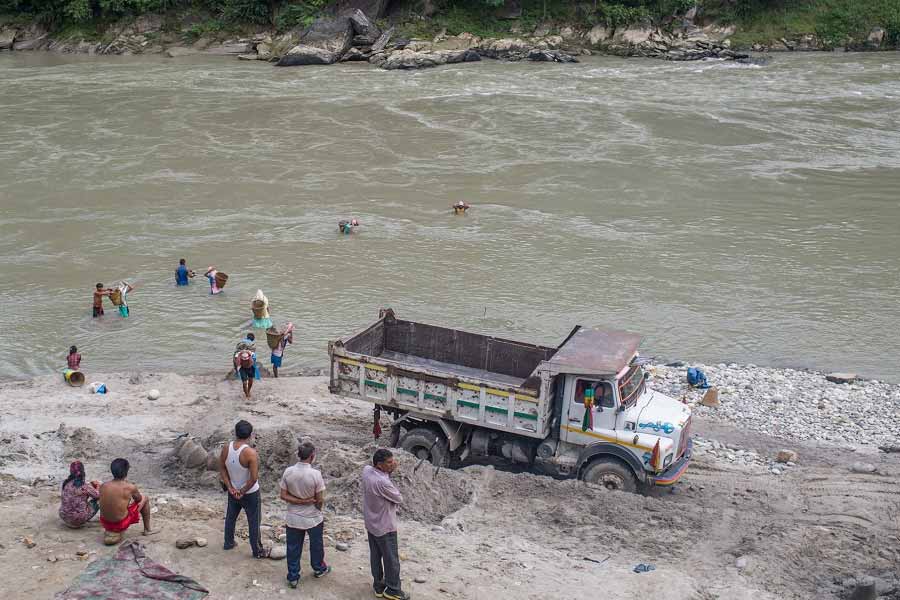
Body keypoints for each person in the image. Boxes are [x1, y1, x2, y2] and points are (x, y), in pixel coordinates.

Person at [280, 441, 330, 589]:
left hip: (293, 517)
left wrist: (298, 501)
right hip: (312, 517)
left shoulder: (288, 471)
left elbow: (283, 495)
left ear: (298, 455)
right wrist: (312, 505)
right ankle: (319, 568)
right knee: (316, 545)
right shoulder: (315, 474)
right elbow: (319, 499)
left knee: (293, 547)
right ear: (312, 456)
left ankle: (293, 576)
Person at [362, 449, 408, 600]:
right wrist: (391, 473)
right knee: (391, 560)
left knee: (375, 556)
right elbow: (399, 498)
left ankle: (378, 586)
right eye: (389, 462)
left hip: (371, 523)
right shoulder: (382, 482)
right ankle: (393, 590)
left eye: (392, 461)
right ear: (379, 465)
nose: (393, 464)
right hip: (385, 527)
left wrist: (388, 471)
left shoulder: (367, 471)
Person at [219, 420, 269, 558]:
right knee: (254, 522)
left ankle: (228, 542)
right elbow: (253, 478)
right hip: (250, 493)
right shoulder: (250, 453)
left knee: (231, 517)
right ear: (250, 435)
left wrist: (230, 487)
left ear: (236, 433)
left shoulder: (226, 448)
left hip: (233, 490)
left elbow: (222, 468)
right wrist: (242, 491)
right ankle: (257, 551)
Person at [98, 458, 159, 545]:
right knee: (145, 498)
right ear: (126, 472)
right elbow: (139, 499)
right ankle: (147, 530)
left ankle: (111, 530)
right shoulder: (130, 487)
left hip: (105, 522)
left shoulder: (103, 485)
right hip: (120, 524)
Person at [59, 460, 101, 529]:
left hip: (64, 516)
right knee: (100, 499)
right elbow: (98, 495)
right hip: (77, 520)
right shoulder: (85, 486)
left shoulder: (65, 483)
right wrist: (98, 486)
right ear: (82, 471)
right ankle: (107, 520)